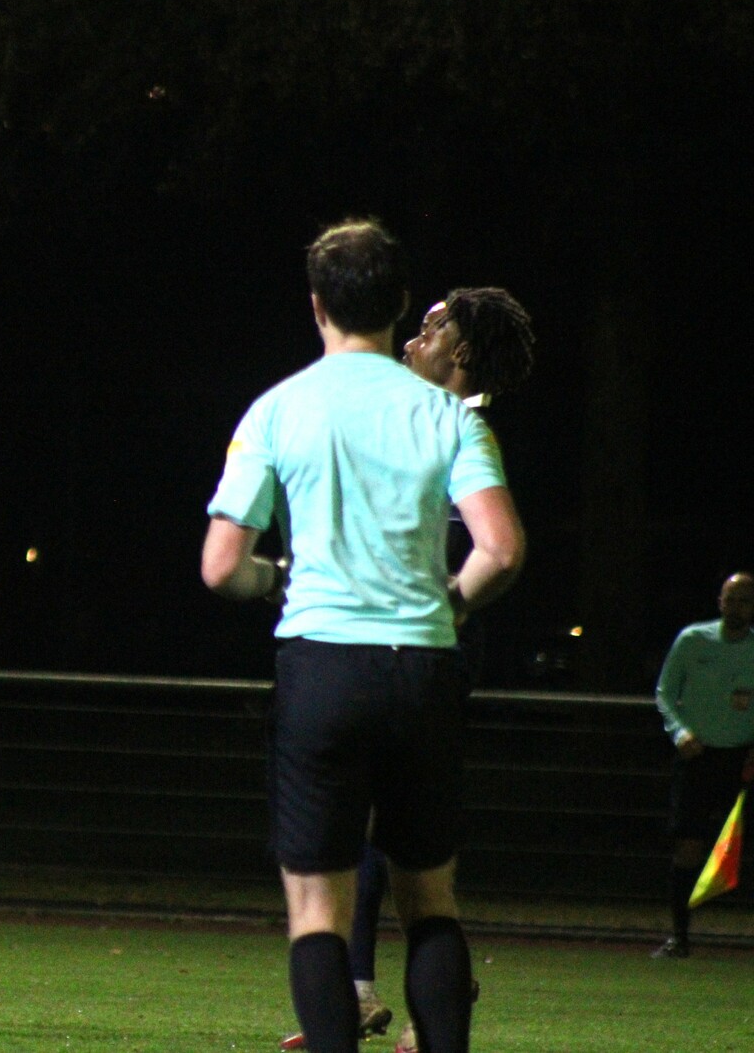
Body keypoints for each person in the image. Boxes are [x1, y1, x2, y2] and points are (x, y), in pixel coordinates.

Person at [202, 220, 525, 1053]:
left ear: (317, 305)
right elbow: (501, 550)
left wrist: (279, 579)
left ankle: (349, 1004)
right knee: (430, 897)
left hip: (323, 665)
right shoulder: (449, 420)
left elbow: (221, 565)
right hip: (422, 664)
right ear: (400, 302)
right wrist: (450, 605)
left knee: (317, 905)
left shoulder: (278, 407)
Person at [279, 286, 537, 1053]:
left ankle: (384, 991)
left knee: (398, 854)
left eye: (432, 327)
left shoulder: (455, 430)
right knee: (392, 842)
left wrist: (442, 605)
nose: (412, 338)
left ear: (462, 352)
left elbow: (488, 549)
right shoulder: (425, 424)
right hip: (405, 653)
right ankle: (386, 990)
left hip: (418, 654)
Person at [651, 571, 754, 959]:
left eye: (745, 600)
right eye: (731, 599)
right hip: (697, 758)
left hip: (741, 760)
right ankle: (679, 937)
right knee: (688, 847)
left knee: (738, 848)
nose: (737, 607)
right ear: (720, 602)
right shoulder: (693, 640)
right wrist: (680, 733)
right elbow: (665, 691)